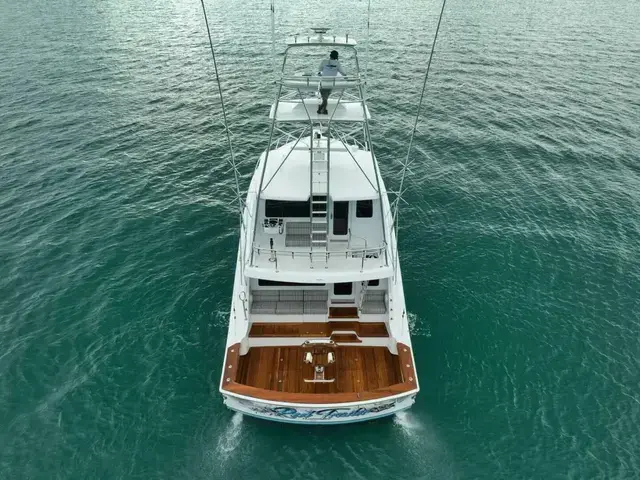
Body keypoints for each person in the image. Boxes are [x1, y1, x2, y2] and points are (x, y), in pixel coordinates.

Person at [317, 50, 346, 114]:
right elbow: (344, 73)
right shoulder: (337, 63)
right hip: (331, 83)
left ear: (330, 55)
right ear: (336, 56)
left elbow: (319, 70)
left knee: (324, 98)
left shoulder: (324, 61)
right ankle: (323, 109)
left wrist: (326, 70)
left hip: (324, 82)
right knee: (325, 97)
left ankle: (322, 109)